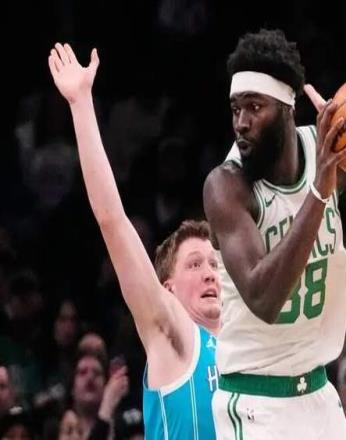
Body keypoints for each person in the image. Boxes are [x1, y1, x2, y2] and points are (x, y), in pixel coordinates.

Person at [203, 28, 346, 439]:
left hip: (319, 394)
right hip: (254, 402)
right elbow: (264, 299)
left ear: (288, 108)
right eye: (236, 109)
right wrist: (320, 190)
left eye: (255, 107)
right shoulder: (226, 186)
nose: (241, 123)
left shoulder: (329, 156)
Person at [48, 42, 221, 439]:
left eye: (214, 263)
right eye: (195, 264)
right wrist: (81, 104)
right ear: (168, 288)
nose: (210, 273)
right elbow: (113, 221)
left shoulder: (246, 348)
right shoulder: (174, 332)